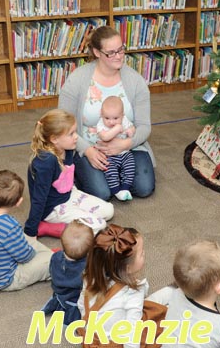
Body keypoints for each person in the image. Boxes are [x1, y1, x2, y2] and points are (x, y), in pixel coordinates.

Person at [58, 25, 156, 201]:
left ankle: (113, 176)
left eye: (121, 50)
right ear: (97, 52)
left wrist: (125, 144)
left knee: (144, 188)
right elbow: (63, 125)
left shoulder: (135, 81)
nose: (118, 56)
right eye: (111, 53)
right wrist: (87, 150)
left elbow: (144, 126)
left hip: (128, 147)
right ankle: (83, 173)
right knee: (102, 194)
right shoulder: (77, 80)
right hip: (90, 146)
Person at [77, 224, 167, 348]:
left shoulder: (90, 275)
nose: (145, 254)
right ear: (128, 268)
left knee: (143, 307)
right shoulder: (132, 293)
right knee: (166, 321)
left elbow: (82, 304)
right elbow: (131, 337)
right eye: (142, 253)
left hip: (90, 341)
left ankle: (171, 292)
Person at [25, 109, 114, 239]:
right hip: (53, 208)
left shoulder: (66, 148)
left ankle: (77, 218)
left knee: (109, 211)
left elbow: (67, 179)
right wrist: (30, 230)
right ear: (54, 139)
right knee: (99, 225)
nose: (76, 136)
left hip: (69, 194)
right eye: (71, 134)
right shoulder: (46, 162)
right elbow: (39, 198)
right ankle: (47, 227)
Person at [0, 170, 52, 291]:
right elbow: (25, 257)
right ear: (19, 202)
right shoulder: (10, 227)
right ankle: (55, 263)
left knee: (24, 239)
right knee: (51, 262)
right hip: (5, 280)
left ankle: (49, 255)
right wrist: (32, 253)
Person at [42, 220, 94, 325]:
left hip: (60, 292)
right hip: (75, 298)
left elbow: (52, 271)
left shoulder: (55, 257)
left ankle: (56, 304)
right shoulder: (88, 267)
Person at [97, 95, 136, 201]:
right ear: (102, 115)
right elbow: (105, 137)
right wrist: (117, 128)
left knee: (130, 167)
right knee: (110, 172)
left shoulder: (124, 120)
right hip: (108, 155)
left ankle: (125, 188)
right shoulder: (101, 123)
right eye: (107, 118)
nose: (111, 122)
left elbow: (131, 127)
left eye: (115, 118)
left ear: (122, 115)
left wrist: (131, 131)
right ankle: (116, 191)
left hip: (124, 153)